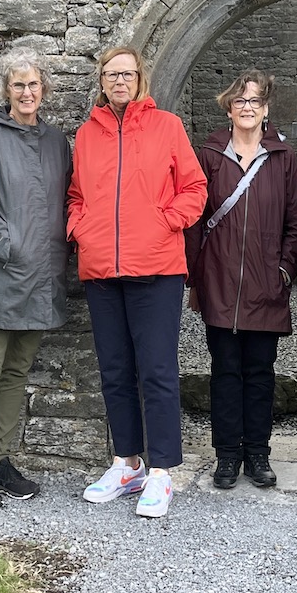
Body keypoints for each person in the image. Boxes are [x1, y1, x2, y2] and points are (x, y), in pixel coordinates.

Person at [67, 47, 207, 519]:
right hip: (102, 270)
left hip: (158, 269)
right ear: (102, 81)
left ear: (140, 78)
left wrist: (167, 222)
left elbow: (195, 188)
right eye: (111, 74)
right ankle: (126, 463)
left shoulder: (167, 126)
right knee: (115, 372)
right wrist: (80, 229)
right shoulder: (87, 134)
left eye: (127, 73)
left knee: (158, 372)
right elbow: (76, 195)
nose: (119, 81)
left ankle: (162, 472)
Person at [0, 49, 71, 510]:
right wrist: (9, 244)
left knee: (18, 371)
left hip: (43, 276)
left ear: (44, 90)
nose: (27, 92)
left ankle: (2, 460)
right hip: (0, 274)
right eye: (18, 85)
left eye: (34, 84)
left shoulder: (57, 141)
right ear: (7, 91)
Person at [185, 70, 297, 491]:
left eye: (255, 101)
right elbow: (195, 219)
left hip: (265, 285)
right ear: (229, 108)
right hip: (218, 282)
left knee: (260, 373)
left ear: (266, 108)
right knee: (224, 371)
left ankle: (257, 453)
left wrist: (284, 271)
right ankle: (226, 455)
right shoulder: (209, 154)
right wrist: (197, 272)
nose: (247, 107)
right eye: (240, 101)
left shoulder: (283, 157)